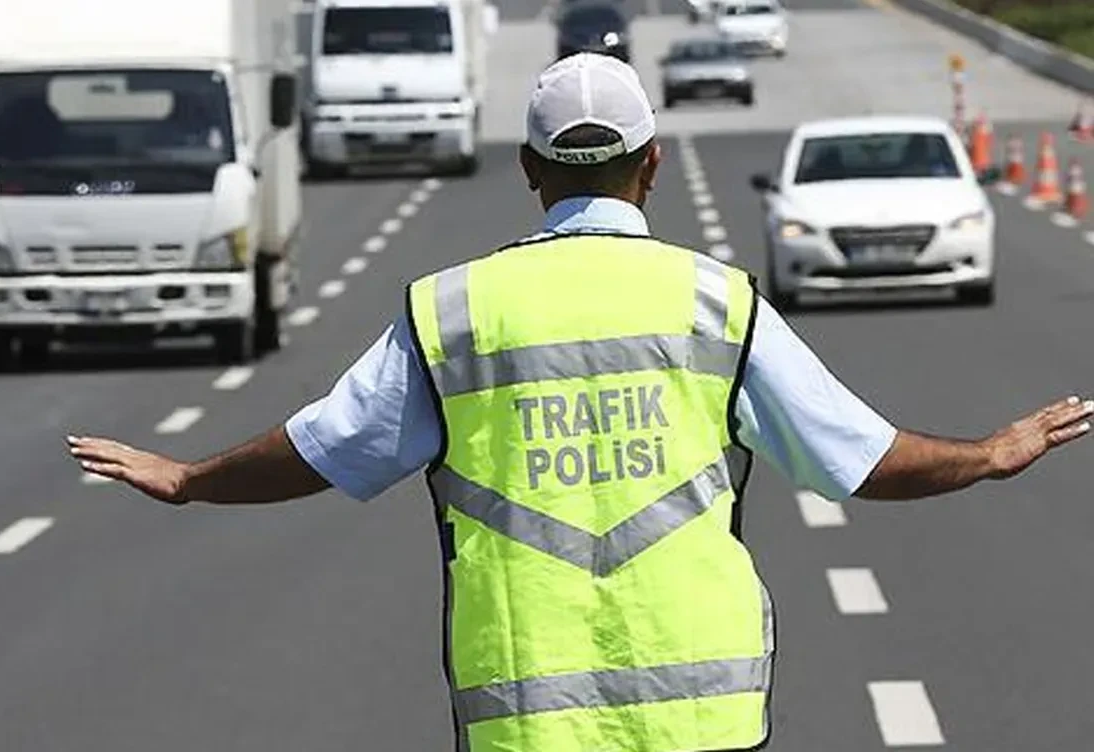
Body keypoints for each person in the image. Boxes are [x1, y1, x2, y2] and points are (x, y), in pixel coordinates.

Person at [68, 53, 1092, 752]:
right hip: (704, 714)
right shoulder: (715, 302)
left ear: (528, 169)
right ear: (651, 164)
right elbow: (858, 460)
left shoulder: (454, 311)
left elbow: (325, 449)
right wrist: (988, 452)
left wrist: (189, 477)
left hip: (527, 715)